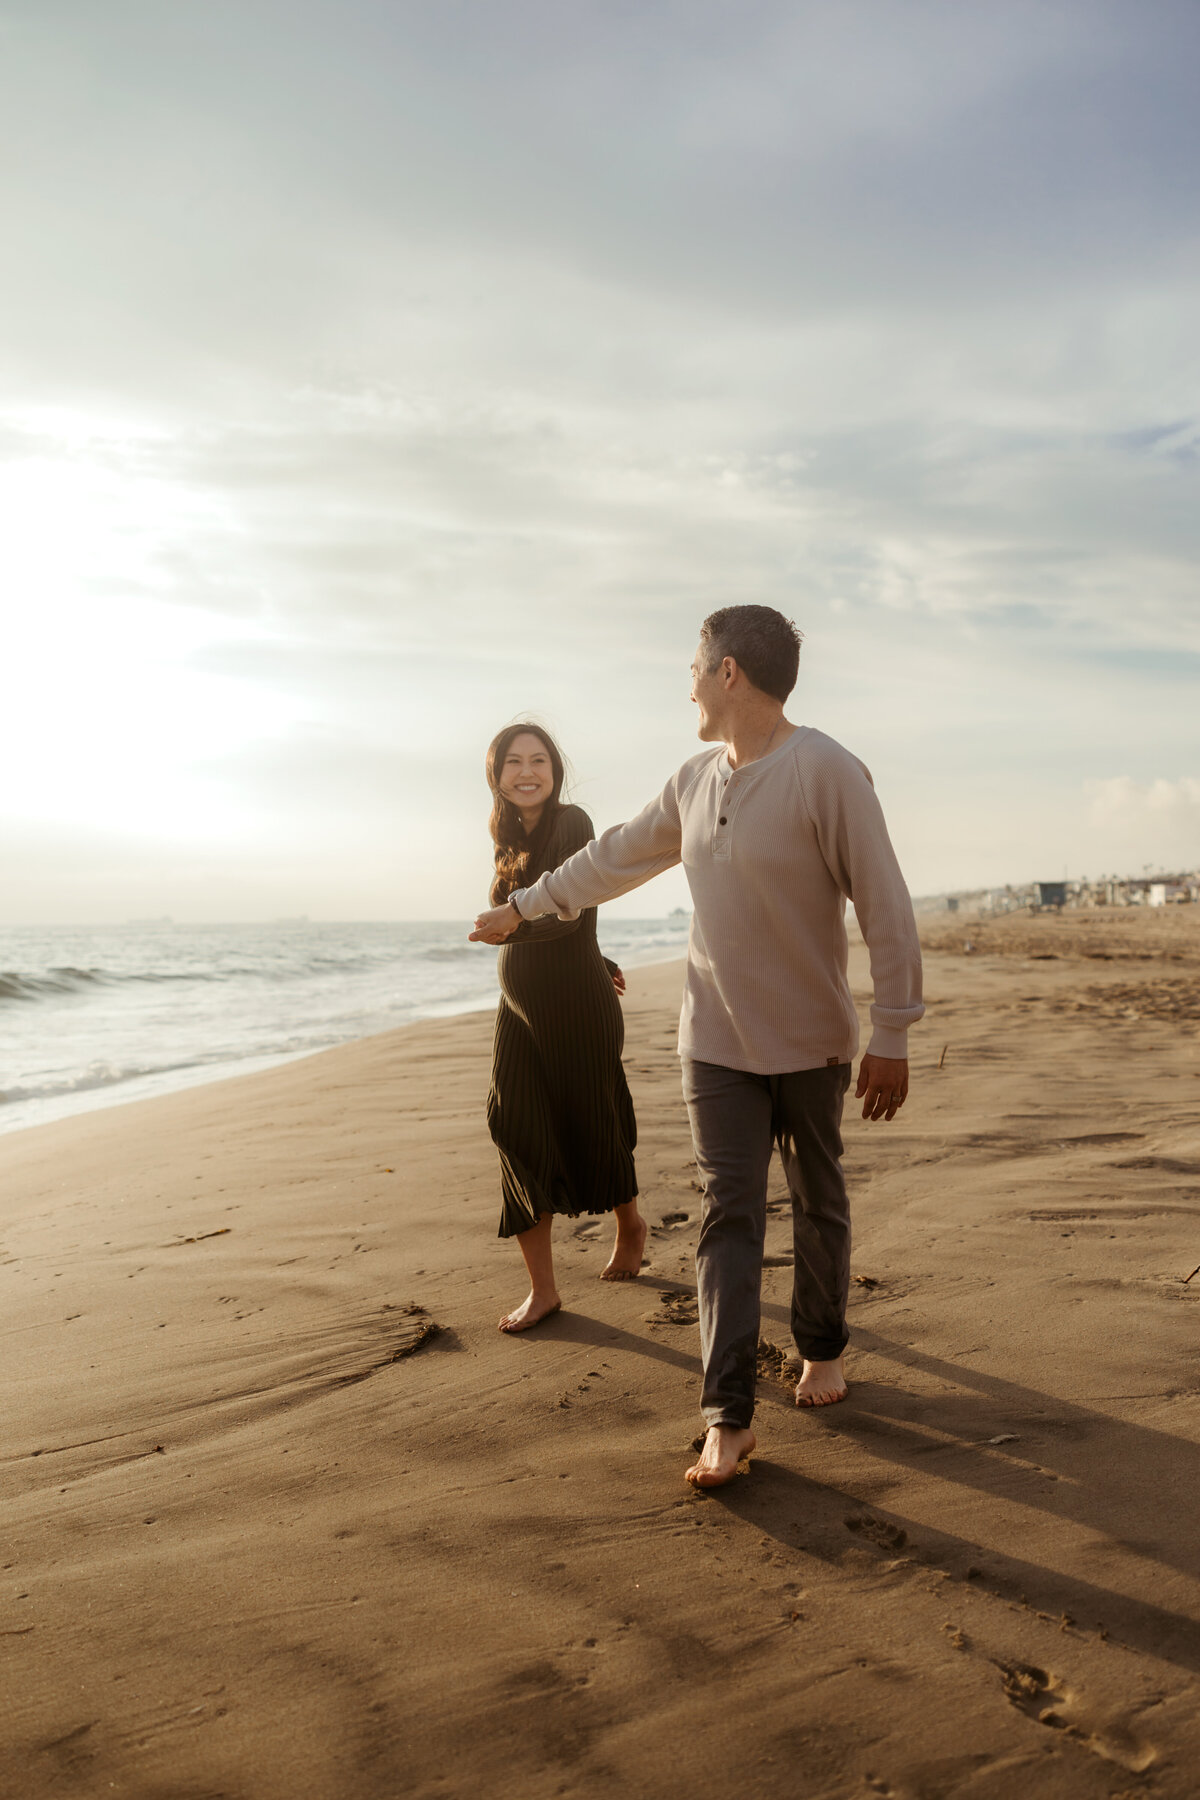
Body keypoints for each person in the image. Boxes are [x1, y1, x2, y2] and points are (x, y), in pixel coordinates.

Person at [470, 609, 923, 1485]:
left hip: (812, 1039)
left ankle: (822, 1345)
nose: (686, 679)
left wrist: (894, 1030)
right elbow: (611, 860)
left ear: (729, 676)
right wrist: (524, 908)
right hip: (713, 1042)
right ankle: (727, 1415)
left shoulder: (828, 771)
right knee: (729, 1216)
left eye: (694, 664)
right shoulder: (691, 780)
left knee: (817, 1197)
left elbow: (885, 903)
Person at [475, 723, 646, 1333]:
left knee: (590, 1122)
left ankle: (630, 1224)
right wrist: (596, 953)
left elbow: (569, 914)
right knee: (512, 1125)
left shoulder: (573, 824)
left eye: (538, 760)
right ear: (496, 774)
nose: (527, 771)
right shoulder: (505, 835)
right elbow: (560, 922)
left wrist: (514, 929)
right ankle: (543, 1289)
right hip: (518, 1009)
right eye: (513, 762)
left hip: (575, 1005)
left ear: (555, 770)